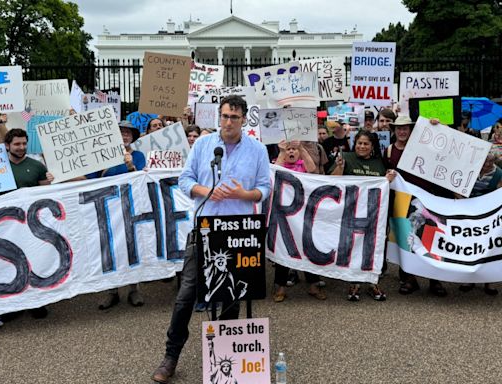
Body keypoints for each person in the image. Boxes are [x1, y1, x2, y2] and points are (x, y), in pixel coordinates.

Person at [152, 95, 271, 384]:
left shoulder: (257, 150)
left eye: (234, 117)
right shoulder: (204, 145)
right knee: (186, 296)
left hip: (239, 231)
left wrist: (245, 195)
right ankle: (171, 356)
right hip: (204, 229)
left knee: (232, 296)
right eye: (225, 116)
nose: (228, 122)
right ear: (219, 117)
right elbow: (184, 179)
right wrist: (206, 190)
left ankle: (225, 356)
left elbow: (265, 188)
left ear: (244, 119)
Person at [384, 115, 449, 297]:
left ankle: (434, 279)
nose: (402, 131)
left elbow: (444, 148)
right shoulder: (389, 151)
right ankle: (409, 278)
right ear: (394, 130)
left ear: (411, 130)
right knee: (406, 238)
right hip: (402, 201)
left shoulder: (422, 146)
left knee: (430, 237)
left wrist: (439, 127)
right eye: (399, 128)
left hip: (427, 199)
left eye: (405, 128)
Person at [329, 130, 395, 301]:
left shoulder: (379, 162)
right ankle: (354, 282)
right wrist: (340, 167)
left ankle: (373, 282)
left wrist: (388, 179)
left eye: (366, 144)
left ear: (372, 146)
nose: (362, 146)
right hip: (351, 212)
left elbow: (384, 186)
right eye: (359, 143)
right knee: (352, 246)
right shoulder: (346, 158)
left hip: (374, 214)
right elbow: (331, 181)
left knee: (373, 247)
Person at [4, 129, 54, 318]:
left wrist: (50, 181)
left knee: (34, 261)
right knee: (10, 262)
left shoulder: (36, 166)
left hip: (30, 224)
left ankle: (36, 302)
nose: (21, 147)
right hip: (5, 226)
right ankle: (13, 304)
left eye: (24, 143)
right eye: (17, 144)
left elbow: (45, 194)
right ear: (8, 145)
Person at [97, 120, 146, 309]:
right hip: (107, 207)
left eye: (128, 133)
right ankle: (112, 291)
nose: (125, 136)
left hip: (130, 206)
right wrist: (57, 176)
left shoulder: (138, 155)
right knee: (110, 248)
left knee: (133, 246)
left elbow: (142, 178)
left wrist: (131, 166)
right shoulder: (102, 157)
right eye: (121, 132)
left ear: (132, 137)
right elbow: (89, 180)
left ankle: (134, 289)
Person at [272, 140, 326, 302]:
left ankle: (313, 285)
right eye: (288, 150)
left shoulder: (304, 166)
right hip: (284, 217)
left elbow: (313, 169)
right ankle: (280, 287)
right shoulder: (279, 164)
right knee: (283, 249)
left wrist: (301, 147)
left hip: (303, 216)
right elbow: (277, 170)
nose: (291, 152)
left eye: (294, 150)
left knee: (308, 249)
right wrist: (282, 152)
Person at [457, 150, 501, 295]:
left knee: (488, 247)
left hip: (488, 215)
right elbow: (457, 188)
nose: (487, 164)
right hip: (469, 212)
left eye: (490, 161)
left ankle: (489, 282)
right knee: (470, 246)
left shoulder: (499, 174)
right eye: (484, 161)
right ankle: (469, 279)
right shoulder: (470, 169)